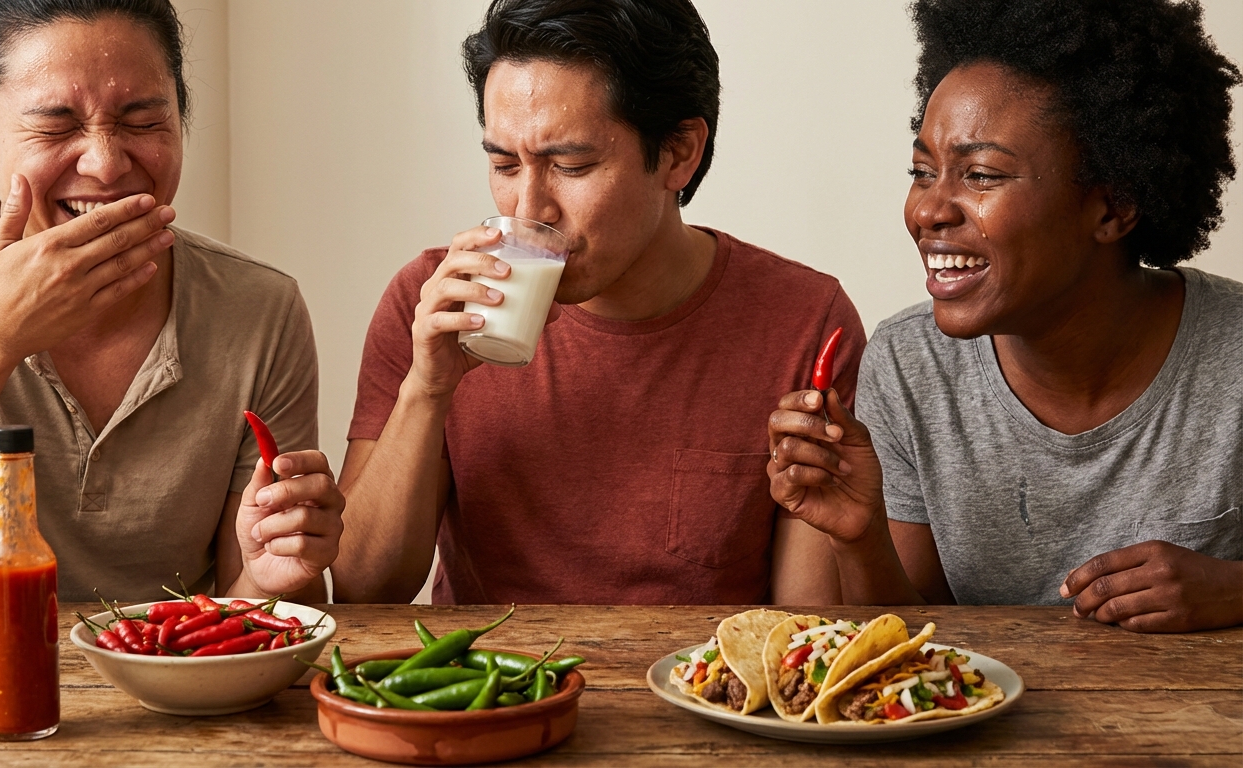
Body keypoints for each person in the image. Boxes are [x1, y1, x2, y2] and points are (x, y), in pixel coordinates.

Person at [331, 0, 864, 605]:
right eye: (504, 164)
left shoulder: (804, 323)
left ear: (679, 152)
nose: (529, 209)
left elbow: (802, 629)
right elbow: (362, 591)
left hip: (701, 670)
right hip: (490, 667)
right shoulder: (434, 304)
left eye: (572, 165)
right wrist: (426, 392)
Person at [0, 0, 342, 623]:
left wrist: (268, 576)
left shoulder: (261, 309)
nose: (105, 163)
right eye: (55, 126)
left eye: (142, 120)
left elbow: (261, 612)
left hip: (164, 675)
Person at [769, 0, 1243, 632]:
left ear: (1114, 207)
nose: (928, 211)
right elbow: (914, 644)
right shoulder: (910, 365)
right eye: (922, 172)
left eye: (981, 175)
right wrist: (860, 537)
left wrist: (1236, 590)